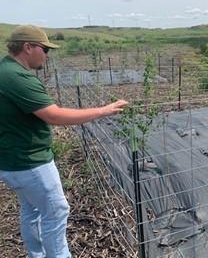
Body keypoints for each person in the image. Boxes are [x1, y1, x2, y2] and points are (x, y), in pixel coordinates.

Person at [0, 25, 128, 258]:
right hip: (30, 163)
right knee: (57, 211)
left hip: (11, 160)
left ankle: (35, 255)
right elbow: (54, 116)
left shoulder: (4, 69)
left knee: (32, 208)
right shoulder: (17, 78)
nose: (47, 55)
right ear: (28, 47)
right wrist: (104, 110)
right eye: (44, 49)